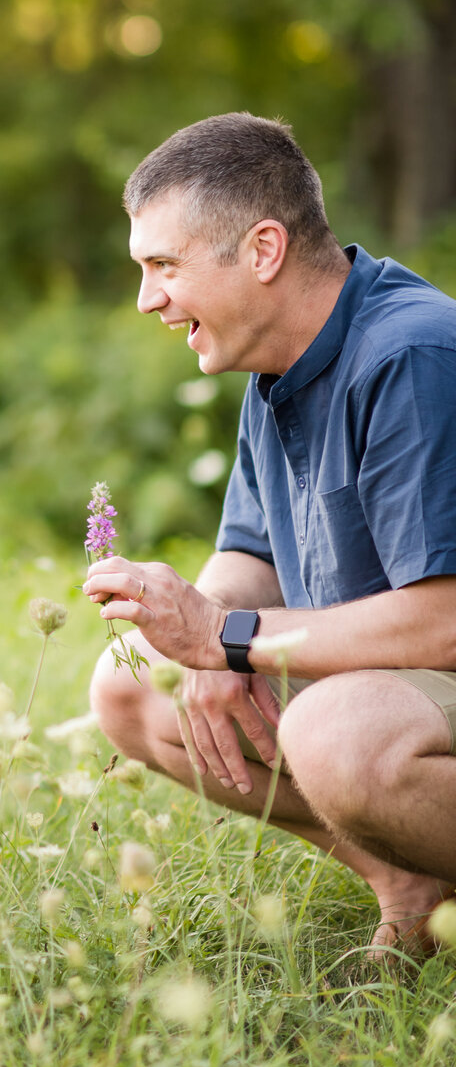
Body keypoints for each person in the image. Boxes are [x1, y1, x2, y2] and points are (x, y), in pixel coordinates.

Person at [87, 113, 456, 958]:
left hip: (418, 679)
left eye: (163, 266)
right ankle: (405, 880)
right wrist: (203, 635)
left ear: (262, 251)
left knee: (335, 733)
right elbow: (250, 556)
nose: (148, 298)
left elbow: (445, 620)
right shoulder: (276, 368)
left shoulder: (413, 354)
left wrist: (233, 640)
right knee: (130, 685)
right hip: (388, 687)